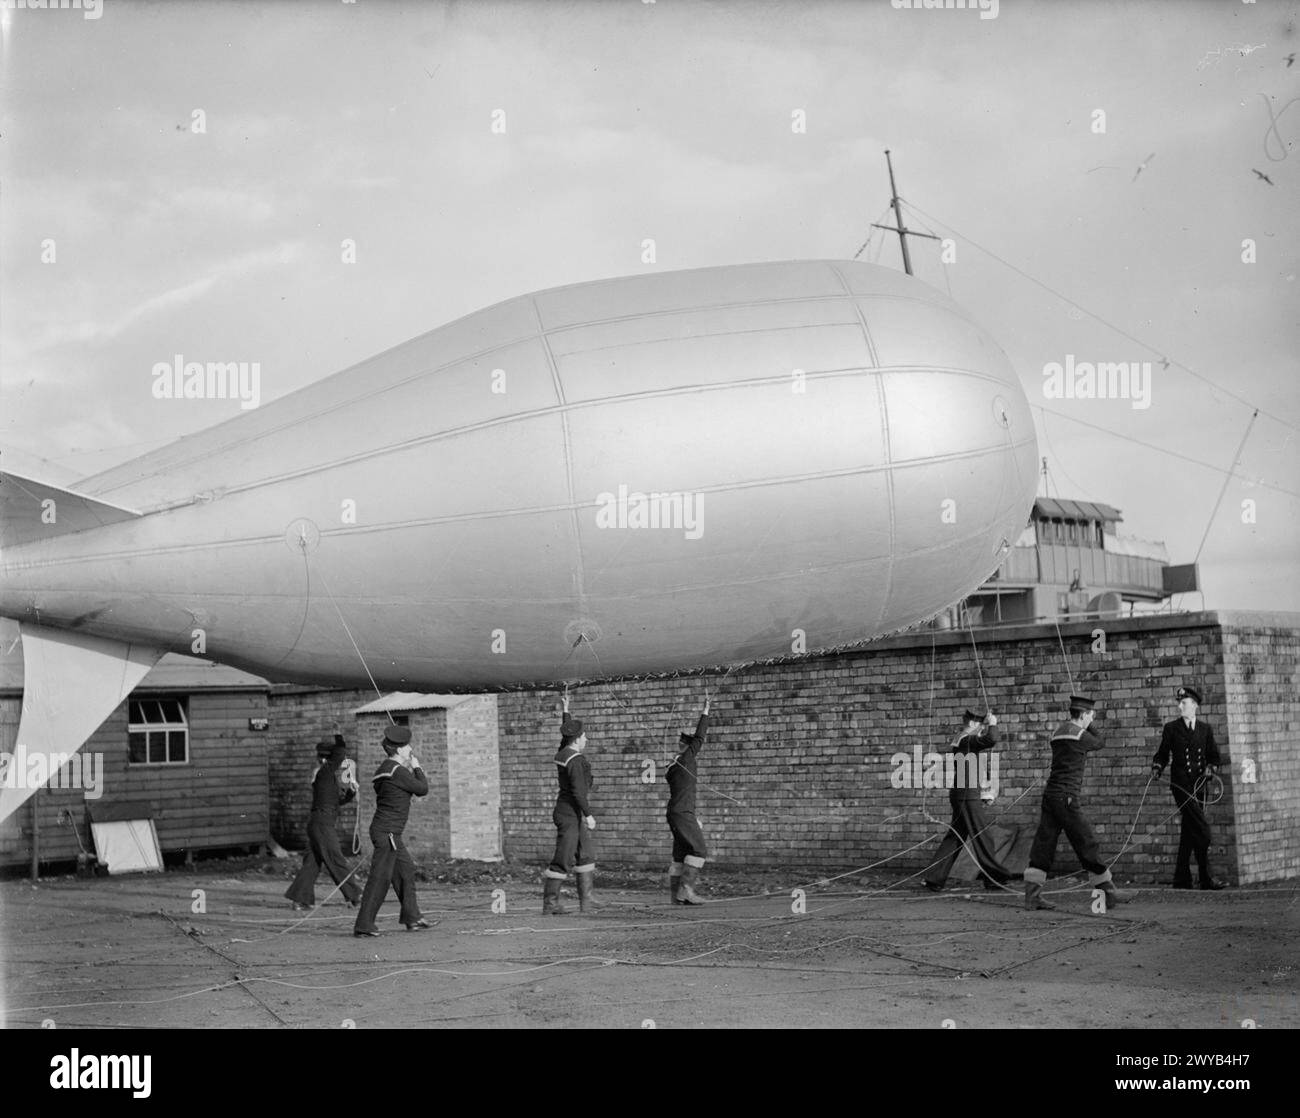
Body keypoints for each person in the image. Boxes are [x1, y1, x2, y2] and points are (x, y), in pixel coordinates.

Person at [1024, 695, 1132, 911]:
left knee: (1043, 845)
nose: (1091, 719)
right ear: (1083, 715)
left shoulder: (1058, 732)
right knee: (1086, 841)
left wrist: (1085, 720)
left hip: (1051, 795)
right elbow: (1100, 742)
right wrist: (1090, 724)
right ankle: (1108, 894)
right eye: (1090, 716)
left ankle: (1032, 897)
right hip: (1066, 797)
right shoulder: (1081, 734)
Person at [923, 709, 1019, 893]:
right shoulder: (967, 739)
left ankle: (934, 878)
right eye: (981, 725)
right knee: (983, 836)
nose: (982, 729)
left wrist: (982, 793)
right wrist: (993, 723)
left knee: (955, 838)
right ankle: (994, 878)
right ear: (974, 724)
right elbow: (991, 739)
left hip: (963, 793)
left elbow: (971, 768)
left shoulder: (962, 740)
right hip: (967, 795)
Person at [353, 724, 433, 936]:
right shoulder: (398, 771)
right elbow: (422, 789)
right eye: (407, 747)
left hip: (389, 832)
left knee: (405, 871)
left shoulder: (384, 770)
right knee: (380, 878)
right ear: (398, 750)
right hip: (387, 832)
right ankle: (363, 925)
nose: (410, 750)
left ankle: (412, 918)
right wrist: (416, 766)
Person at [1151, 685, 1225, 890]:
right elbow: (1162, 754)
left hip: (1200, 786)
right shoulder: (1171, 728)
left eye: (1184, 703)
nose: (1180, 706)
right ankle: (1206, 877)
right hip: (1181, 786)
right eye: (1179, 703)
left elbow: (1214, 757)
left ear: (1194, 705)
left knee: (1189, 831)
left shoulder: (1205, 729)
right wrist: (1157, 767)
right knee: (1202, 830)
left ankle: (1181, 878)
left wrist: (1211, 768)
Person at [286, 732, 362, 910]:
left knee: (312, 863)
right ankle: (355, 895)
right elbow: (341, 752)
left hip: (318, 822)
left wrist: (351, 793)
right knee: (335, 859)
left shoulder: (323, 777)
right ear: (327, 759)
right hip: (322, 824)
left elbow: (334, 802)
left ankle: (300, 899)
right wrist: (339, 736)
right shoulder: (326, 771)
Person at [542, 694, 598, 915]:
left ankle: (588, 901)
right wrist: (589, 815)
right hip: (569, 813)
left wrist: (566, 710)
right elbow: (578, 791)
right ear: (578, 739)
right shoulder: (575, 761)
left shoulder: (564, 752)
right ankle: (551, 903)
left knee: (585, 853)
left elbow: (565, 735)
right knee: (564, 857)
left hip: (569, 812)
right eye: (584, 737)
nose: (586, 740)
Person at [665, 696, 711, 905]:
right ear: (688, 746)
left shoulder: (672, 766)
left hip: (676, 812)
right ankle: (685, 891)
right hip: (683, 812)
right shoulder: (687, 759)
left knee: (680, 853)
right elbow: (700, 738)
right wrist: (705, 711)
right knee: (699, 849)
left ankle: (675, 897)